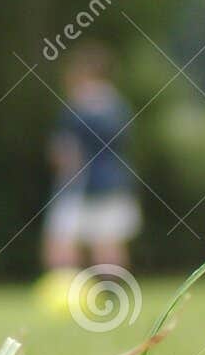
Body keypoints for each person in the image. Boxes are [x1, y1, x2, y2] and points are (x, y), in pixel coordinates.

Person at [42, 43, 141, 272]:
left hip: (79, 183)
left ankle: (65, 287)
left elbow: (65, 151)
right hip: (115, 182)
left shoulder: (77, 107)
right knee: (108, 243)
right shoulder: (118, 106)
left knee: (60, 242)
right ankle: (110, 295)